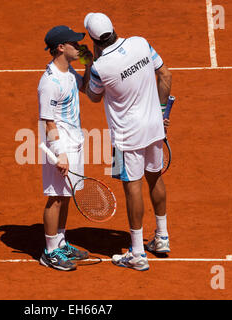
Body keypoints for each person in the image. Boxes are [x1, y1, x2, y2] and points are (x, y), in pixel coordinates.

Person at [83, 13, 173, 271]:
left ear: (93, 41)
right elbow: (165, 76)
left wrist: (88, 63)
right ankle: (162, 237)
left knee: (132, 186)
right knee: (155, 176)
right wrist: (162, 111)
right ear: (114, 28)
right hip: (154, 126)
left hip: (126, 136)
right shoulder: (141, 43)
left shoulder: (102, 67)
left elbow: (92, 96)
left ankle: (136, 253)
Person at [37, 25, 93, 271]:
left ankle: (60, 242)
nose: (79, 47)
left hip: (74, 141)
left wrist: (88, 64)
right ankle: (50, 252)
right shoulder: (49, 82)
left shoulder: (69, 71)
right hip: (60, 145)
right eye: (75, 44)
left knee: (66, 195)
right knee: (55, 198)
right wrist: (60, 153)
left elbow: (87, 90)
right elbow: (48, 122)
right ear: (61, 47)